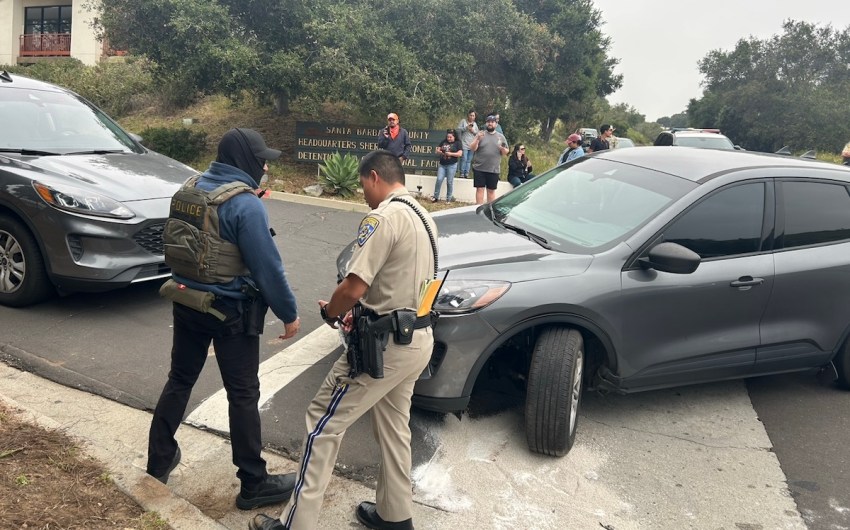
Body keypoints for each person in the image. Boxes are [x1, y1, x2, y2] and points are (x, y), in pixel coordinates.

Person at [249, 150, 437, 530]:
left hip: (380, 350)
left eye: (361, 184)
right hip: (416, 339)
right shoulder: (423, 216)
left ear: (373, 177)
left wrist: (332, 313)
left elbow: (353, 286)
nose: (362, 193)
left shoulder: (383, 216)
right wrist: (360, 307)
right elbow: (397, 284)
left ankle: (295, 525)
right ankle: (395, 516)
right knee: (395, 427)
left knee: (322, 421)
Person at [147, 128, 302, 511]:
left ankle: (158, 460)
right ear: (244, 161)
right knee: (244, 394)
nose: (265, 165)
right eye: (261, 158)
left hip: (187, 301)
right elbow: (268, 269)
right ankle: (253, 483)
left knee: (180, 379)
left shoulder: (190, 189)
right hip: (230, 312)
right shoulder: (245, 206)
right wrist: (289, 314)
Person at [470, 114, 509, 204]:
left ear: (496, 124)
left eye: (492, 122)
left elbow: (506, 152)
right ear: (486, 123)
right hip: (479, 168)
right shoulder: (480, 134)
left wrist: (502, 148)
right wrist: (477, 139)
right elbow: (472, 148)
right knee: (480, 189)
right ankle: (478, 208)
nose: (490, 124)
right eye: (488, 122)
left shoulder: (501, 137)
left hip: (493, 169)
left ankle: (489, 210)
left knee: (491, 191)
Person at [432, 129, 462, 202]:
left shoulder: (458, 143)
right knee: (439, 179)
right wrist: (439, 152)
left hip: (452, 164)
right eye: (448, 137)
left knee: (449, 181)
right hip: (442, 164)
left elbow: (460, 154)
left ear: (454, 137)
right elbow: (437, 150)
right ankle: (435, 197)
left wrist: (451, 154)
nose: (449, 138)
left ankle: (448, 198)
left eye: (451, 137)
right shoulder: (443, 142)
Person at [457, 109, 478, 178]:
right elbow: (458, 130)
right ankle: (462, 173)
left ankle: (467, 173)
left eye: (473, 116)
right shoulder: (463, 121)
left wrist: (472, 131)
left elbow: (477, 134)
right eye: (471, 115)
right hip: (464, 143)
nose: (472, 117)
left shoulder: (475, 124)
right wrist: (466, 128)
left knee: (469, 160)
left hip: (471, 145)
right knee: (464, 158)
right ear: (468, 115)